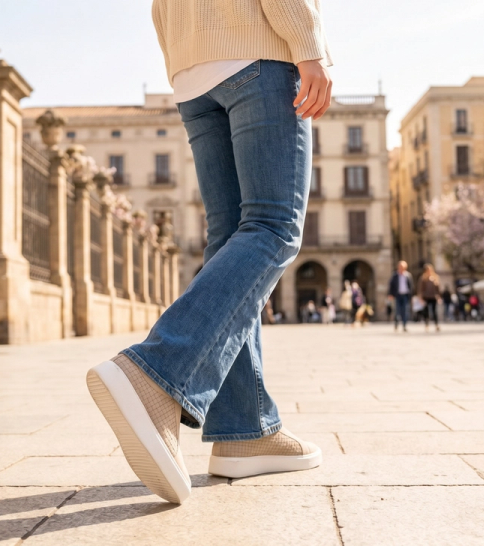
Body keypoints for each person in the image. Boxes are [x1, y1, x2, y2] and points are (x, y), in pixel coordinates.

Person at [85, 0, 332, 505]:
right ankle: (157, 371)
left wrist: (184, 58)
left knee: (231, 236)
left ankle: (246, 429)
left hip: (193, 70)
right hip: (258, 53)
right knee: (273, 226)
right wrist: (309, 48)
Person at [388, 261, 414, 332]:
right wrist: (390, 294)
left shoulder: (408, 275)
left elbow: (411, 287)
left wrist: (411, 297)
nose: (401, 268)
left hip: (405, 295)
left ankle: (404, 325)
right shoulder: (395, 275)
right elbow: (391, 285)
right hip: (398, 295)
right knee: (397, 310)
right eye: (400, 266)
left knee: (405, 311)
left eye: (403, 267)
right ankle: (396, 324)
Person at [420, 264, 442, 332]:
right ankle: (427, 325)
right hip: (426, 297)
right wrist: (420, 297)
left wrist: (439, 297)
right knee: (426, 312)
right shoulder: (423, 278)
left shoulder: (435, 277)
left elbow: (438, 289)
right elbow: (421, 289)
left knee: (434, 311)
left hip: (433, 297)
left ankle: (436, 324)